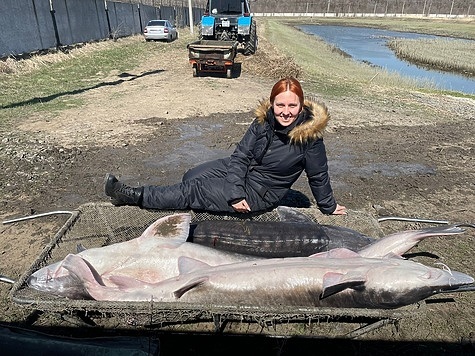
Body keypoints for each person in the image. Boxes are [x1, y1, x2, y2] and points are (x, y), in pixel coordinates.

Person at [105, 77, 346, 215]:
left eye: (292, 106)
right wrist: (234, 189)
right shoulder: (263, 121)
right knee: (192, 175)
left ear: (301, 106)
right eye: (280, 105)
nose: (285, 112)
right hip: (240, 170)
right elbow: (241, 155)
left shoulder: (310, 139)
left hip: (260, 191)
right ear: (272, 104)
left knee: (194, 189)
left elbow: (318, 177)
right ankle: (182, 200)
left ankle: (133, 196)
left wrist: (329, 206)